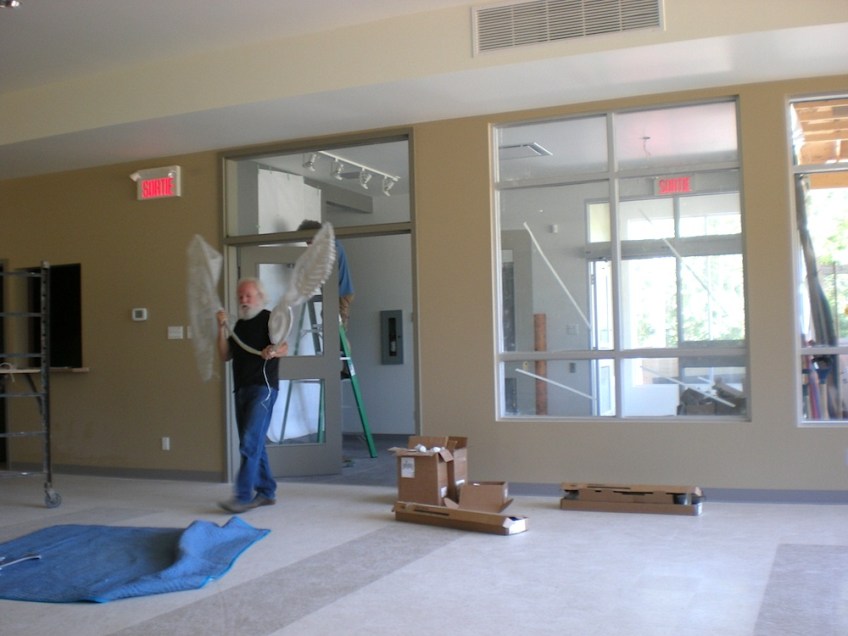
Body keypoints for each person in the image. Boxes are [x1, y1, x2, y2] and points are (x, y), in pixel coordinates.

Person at [216, 277, 288, 513]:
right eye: (240, 297)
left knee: (249, 442)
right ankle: (266, 491)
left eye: (248, 295)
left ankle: (242, 496)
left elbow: (284, 347)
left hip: (263, 388)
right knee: (254, 443)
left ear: (260, 297)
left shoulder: (270, 319)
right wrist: (221, 328)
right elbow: (224, 355)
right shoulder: (238, 326)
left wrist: (273, 351)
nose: (243, 300)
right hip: (242, 389)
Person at [297, 219, 354, 331]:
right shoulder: (329, 244)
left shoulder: (331, 246)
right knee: (329, 322)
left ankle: (338, 341)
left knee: (335, 328)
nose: (308, 245)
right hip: (339, 292)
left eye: (309, 241)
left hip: (341, 293)